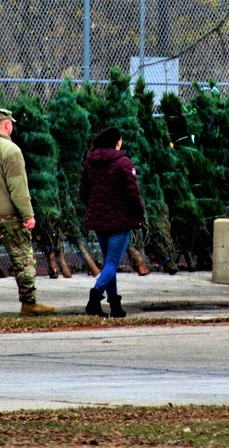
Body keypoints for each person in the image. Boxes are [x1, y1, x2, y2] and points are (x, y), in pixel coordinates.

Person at [0, 108, 55, 316]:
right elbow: (18, 187)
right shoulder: (11, 150)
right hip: (8, 217)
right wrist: (28, 215)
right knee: (23, 259)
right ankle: (29, 303)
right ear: (7, 125)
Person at [79, 127, 146, 318]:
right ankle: (95, 296)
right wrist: (138, 213)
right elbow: (133, 193)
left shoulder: (90, 161)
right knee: (113, 262)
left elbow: (83, 192)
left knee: (110, 262)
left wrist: (96, 207)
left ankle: (115, 305)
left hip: (99, 220)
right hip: (120, 220)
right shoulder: (123, 163)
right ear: (116, 142)